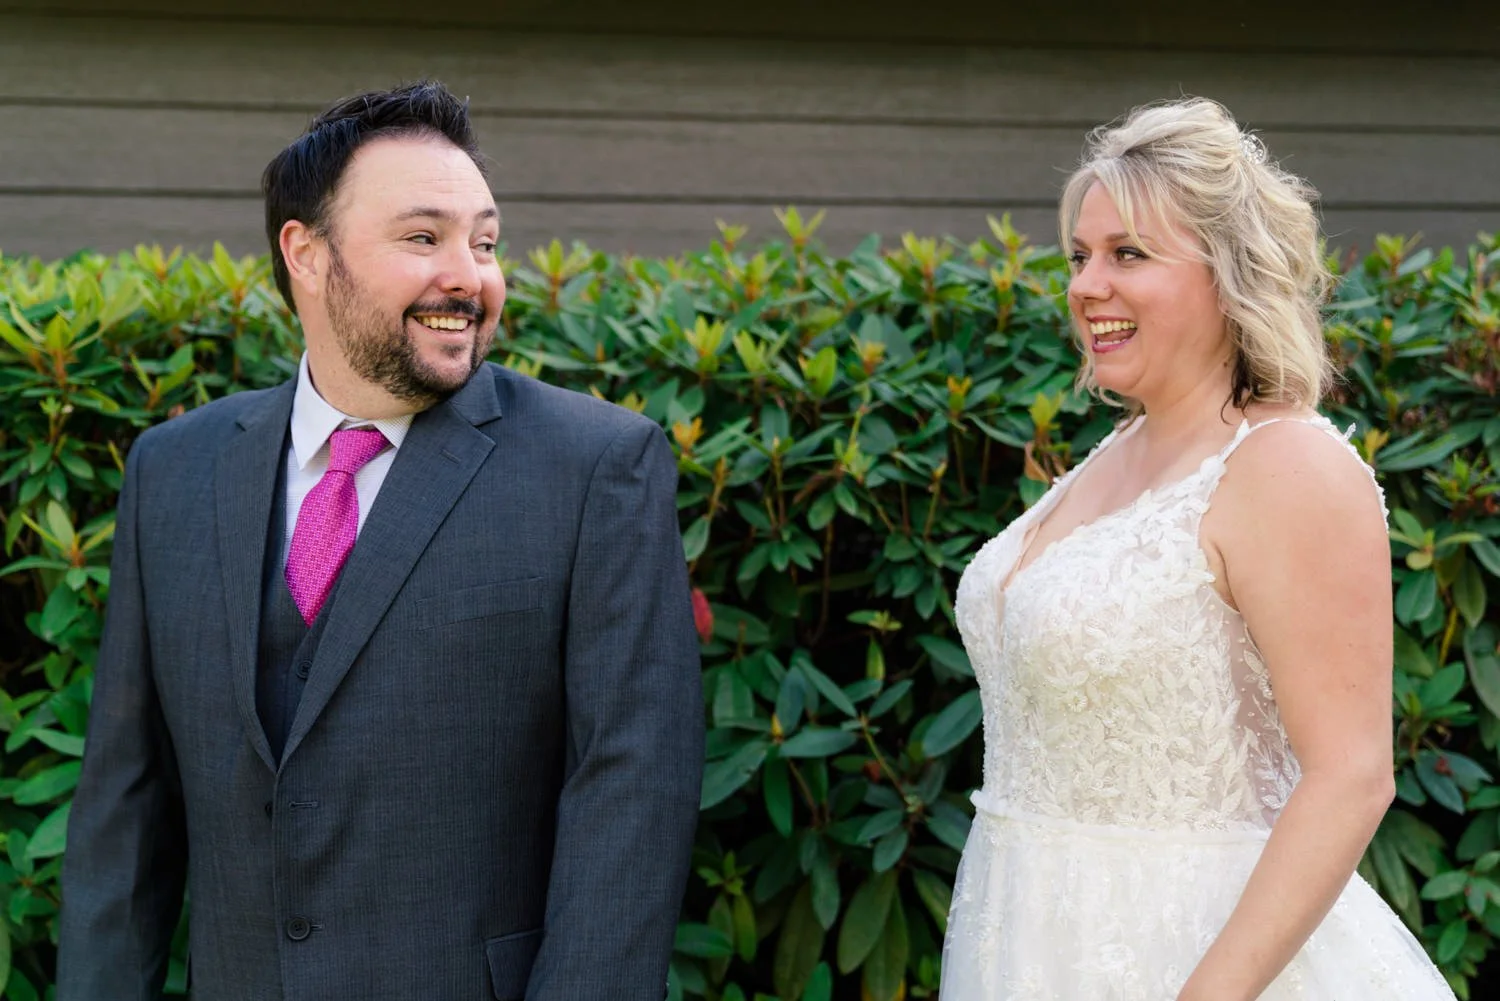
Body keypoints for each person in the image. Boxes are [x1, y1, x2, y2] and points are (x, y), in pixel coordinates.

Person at [57, 81, 703, 1000]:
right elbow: (124, 817)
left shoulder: (597, 467)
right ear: (307, 254)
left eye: (485, 243)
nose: (469, 276)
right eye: (423, 237)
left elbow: (630, 803)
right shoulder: (174, 471)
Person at [941, 97, 1455, 1000]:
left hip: (1198, 957)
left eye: (1128, 254)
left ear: (1229, 273)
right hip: (1026, 937)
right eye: (1079, 256)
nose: (1086, 285)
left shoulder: (1287, 466)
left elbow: (1351, 776)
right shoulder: (1114, 453)